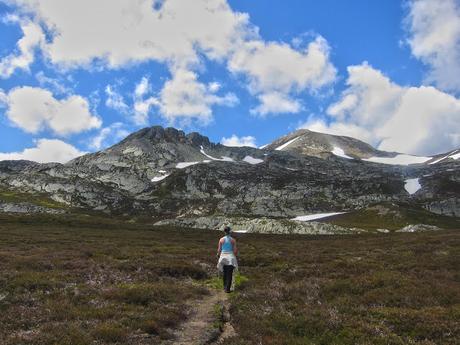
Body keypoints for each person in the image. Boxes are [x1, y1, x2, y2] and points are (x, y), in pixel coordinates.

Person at [216, 226, 238, 293]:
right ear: (230, 231)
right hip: (231, 257)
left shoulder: (221, 240)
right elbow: (235, 250)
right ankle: (227, 289)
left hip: (223, 257)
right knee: (230, 273)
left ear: (224, 232)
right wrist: (235, 255)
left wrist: (218, 255)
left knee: (224, 272)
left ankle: (224, 287)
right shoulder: (233, 240)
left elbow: (219, 250)